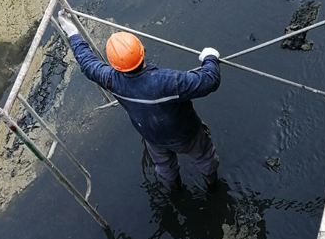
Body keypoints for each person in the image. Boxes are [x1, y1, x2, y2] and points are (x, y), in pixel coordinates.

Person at [57, 13, 222, 188]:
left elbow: (88, 63)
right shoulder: (166, 81)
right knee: (204, 157)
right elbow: (209, 81)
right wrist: (210, 58)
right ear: (142, 50)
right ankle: (212, 185)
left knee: (165, 167)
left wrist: (72, 33)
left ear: (114, 65)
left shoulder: (112, 81)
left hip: (153, 138)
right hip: (186, 134)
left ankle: (175, 190)